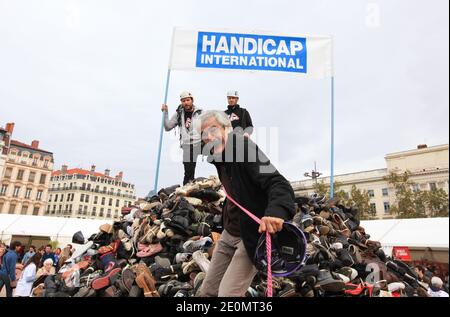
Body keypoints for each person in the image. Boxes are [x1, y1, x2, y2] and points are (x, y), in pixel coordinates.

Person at [197, 110, 295, 297]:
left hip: (251, 236)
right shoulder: (220, 157)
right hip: (229, 233)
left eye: (213, 129)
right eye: (203, 133)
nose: (208, 137)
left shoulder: (243, 148)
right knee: (208, 291)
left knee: (228, 295)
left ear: (227, 128)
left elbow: (278, 183)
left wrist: (276, 211)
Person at [161, 91, 203, 185]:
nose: (186, 102)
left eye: (188, 100)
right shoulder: (179, 114)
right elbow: (167, 127)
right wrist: (165, 113)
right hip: (187, 145)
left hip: (199, 143)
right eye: (183, 101)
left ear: (192, 100)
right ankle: (188, 188)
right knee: (188, 171)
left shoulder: (200, 113)